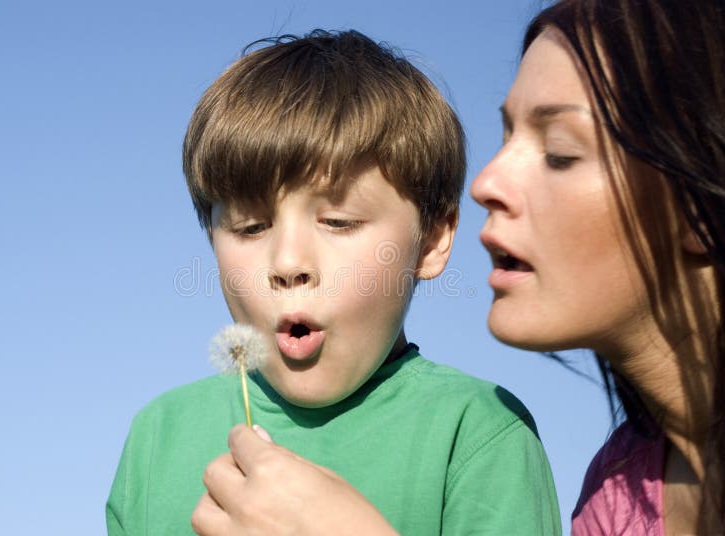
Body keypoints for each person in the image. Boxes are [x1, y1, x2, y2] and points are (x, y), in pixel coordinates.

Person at [189, 1, 725, 534]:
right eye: (250, 226)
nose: (486, 181)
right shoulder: (619, 495)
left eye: (560, 151)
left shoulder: (480, 438)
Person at [106, 30, 561, 535]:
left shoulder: (478, 434)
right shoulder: (158, 438)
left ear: (432, 240)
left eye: (339, 222)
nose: (288, 262)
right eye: (250, 227)